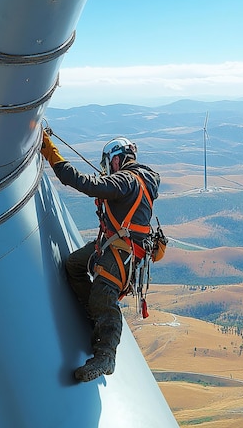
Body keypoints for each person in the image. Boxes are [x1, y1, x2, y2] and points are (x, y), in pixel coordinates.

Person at [41, 129, 160, 382]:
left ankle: (106, 355)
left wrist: (50, 151)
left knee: (103, 293)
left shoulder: (125, 181)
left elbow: (83, 183)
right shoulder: (140, 180)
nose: (108, 169)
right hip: (112, 245)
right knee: (74, 265)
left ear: (116, 160)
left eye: (109, 164)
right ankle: (92, 315)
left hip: (120, 253)